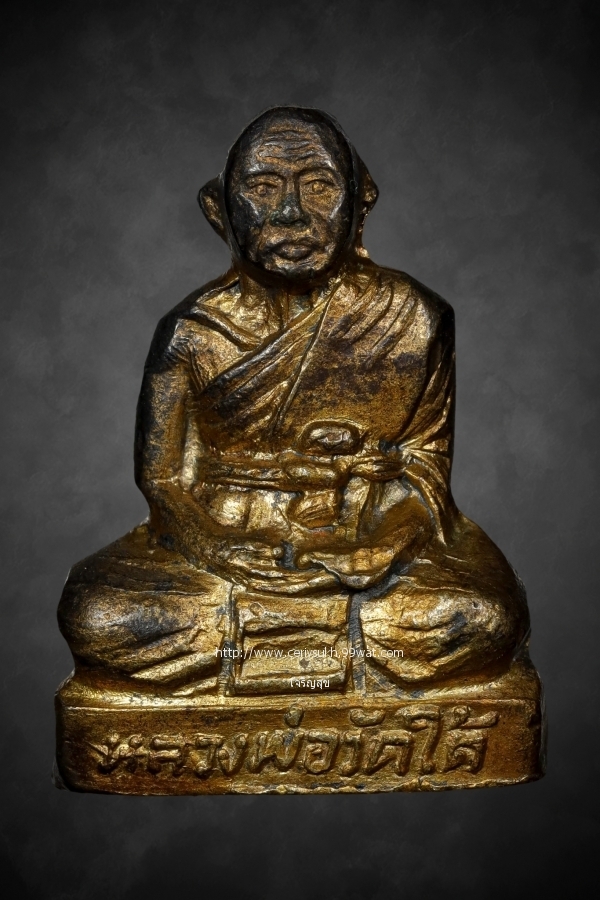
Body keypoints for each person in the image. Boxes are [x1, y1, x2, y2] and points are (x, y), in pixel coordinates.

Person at [58, 107, 530, 694]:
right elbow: (163, 479)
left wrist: (380, 548)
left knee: (479, 619)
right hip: (223, 542)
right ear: (219, 209)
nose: (290, 213)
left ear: (359, 203)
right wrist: (216, 547)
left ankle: (256, 653)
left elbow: (423, 467)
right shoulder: (192, 334)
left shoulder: (414, 319)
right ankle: (333, 654)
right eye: (262, 187)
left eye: (319, 186)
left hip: (366, 540)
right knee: (99, 615)